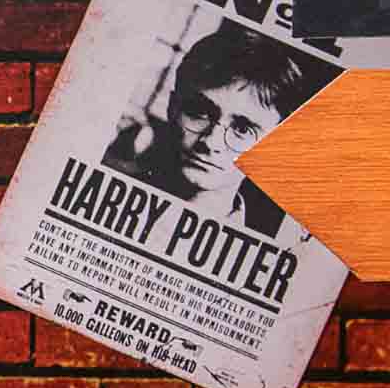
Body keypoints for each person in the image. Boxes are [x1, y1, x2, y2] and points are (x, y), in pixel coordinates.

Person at [104, 22, 333, 237]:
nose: (211, 142)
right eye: (199, 112)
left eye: (242, 128)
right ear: (173, 107)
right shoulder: (108, 192)